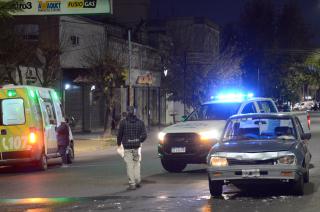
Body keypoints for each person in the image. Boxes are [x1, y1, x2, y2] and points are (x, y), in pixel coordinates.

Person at [117, 106, 147, 190]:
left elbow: (119, 135)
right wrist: (139, 140)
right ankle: (137, 181)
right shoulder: (140, 123)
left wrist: (119, 144)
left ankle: (132, 184)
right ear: (135, 112)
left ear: (127, 112)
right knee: (137, 164)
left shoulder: (123, 123)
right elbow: (144, 135)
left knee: (129, 165)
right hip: (137, 147)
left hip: (127, 147)